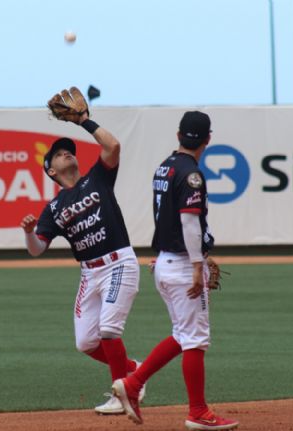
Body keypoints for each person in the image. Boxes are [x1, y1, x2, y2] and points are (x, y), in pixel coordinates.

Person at [112, 111, 239, 430]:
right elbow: (188, 220)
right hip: (182, 264)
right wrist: (197, 265)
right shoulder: (192, 174)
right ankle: (198, 412)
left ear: (178, 134)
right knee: (196, 339)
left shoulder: (165, 166)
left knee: (184, 335)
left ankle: (133, 383)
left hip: (167, 261)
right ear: (208, 139)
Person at [20, 99, 144, 415]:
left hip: (119, 263)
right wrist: (29, 232)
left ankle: (124, 392)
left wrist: (83, 121)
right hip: (90, 273)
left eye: (68, 150)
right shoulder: (54, 209)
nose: (66, 153)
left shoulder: (97, 178)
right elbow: (37, 250)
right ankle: (134, 371)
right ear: (50, 170)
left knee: (108, 331)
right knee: (87, 342)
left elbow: (113, 145)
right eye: (58, 153)